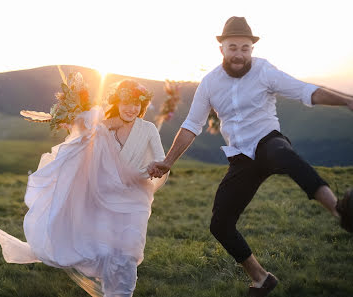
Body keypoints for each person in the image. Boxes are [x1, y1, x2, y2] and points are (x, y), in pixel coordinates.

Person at [148, 16, 353, 297]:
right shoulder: (209, 83)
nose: (239, 54)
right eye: (233, 47)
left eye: (245, 48)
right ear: (221, 48)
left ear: (252, 49)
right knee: (220, 224)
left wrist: (346, 100)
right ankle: (261, 278)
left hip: (268, 141)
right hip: (241, 157)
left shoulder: (264, 71)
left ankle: (339, 211)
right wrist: (168, 161)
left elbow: (306, 91)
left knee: (286, 155)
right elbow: (191, 126)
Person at [0, 79, 168, 297]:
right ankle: (113, 291)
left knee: (128, 252)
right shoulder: (103, 127)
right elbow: (81, 149)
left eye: (136, 104)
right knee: (105, 251)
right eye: (126, 102)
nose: (131, 108)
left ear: (143, 105)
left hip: (134, 199)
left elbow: (162, 160)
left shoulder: (148, 129)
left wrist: (154, 168)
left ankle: (122, 292)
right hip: (102, 198)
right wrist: (76, 125)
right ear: (118, 102)